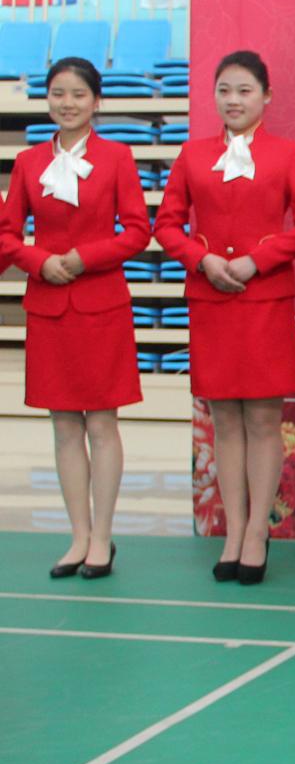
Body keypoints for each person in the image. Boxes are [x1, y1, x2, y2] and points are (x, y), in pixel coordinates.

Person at [154, 50, 295, 586]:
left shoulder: (287, 153)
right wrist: (202, 260)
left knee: (264, 419)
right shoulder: (193, 154)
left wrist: (257, 260)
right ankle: (232, 530)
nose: (233, 100)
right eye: (224, 90)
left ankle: (256, 533)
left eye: (245, 90)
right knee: (224, 419)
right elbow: (166, 225)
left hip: (264, 298)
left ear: (266, 96)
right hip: (212, 298)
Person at [0, 57, 148, 580]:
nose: (68, 103)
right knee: (64, 426)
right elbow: (8, 235)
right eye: (58, 94)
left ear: (96, 101)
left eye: (79, 94)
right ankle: (78, 536)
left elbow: (137, 231)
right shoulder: (28, 162)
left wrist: (84, 258)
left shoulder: (117, 158)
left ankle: (102, 538)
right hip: (48, 308)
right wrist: (39, 262)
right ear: (48, 99)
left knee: (102, 424)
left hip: (101, 306)